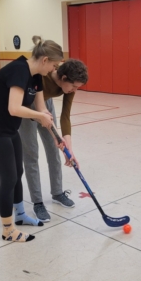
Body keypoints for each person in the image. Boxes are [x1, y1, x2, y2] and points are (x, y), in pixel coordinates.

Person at [0, 36, 64, 242]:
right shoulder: (18, 70)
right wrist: (39, 116)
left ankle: (21, 215)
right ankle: (8, 230)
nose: (54, 69)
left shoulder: (36, 77)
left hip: (9, 129)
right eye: (53, 65)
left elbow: (42, 109)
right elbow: (14, 108)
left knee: (18, 173)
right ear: (44, 60)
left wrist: (57, 139)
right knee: (8, 178)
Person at [20, 59, 88, 222]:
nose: (75, 90)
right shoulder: (44, 74)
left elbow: (65, 116)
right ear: (64, 78)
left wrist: (68, 149)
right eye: (74, 86)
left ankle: (57, 193)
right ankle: (37, 202)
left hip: (46, 104)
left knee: (54, 150)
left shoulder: (69, 85)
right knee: (31, 155)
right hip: (27, 106)